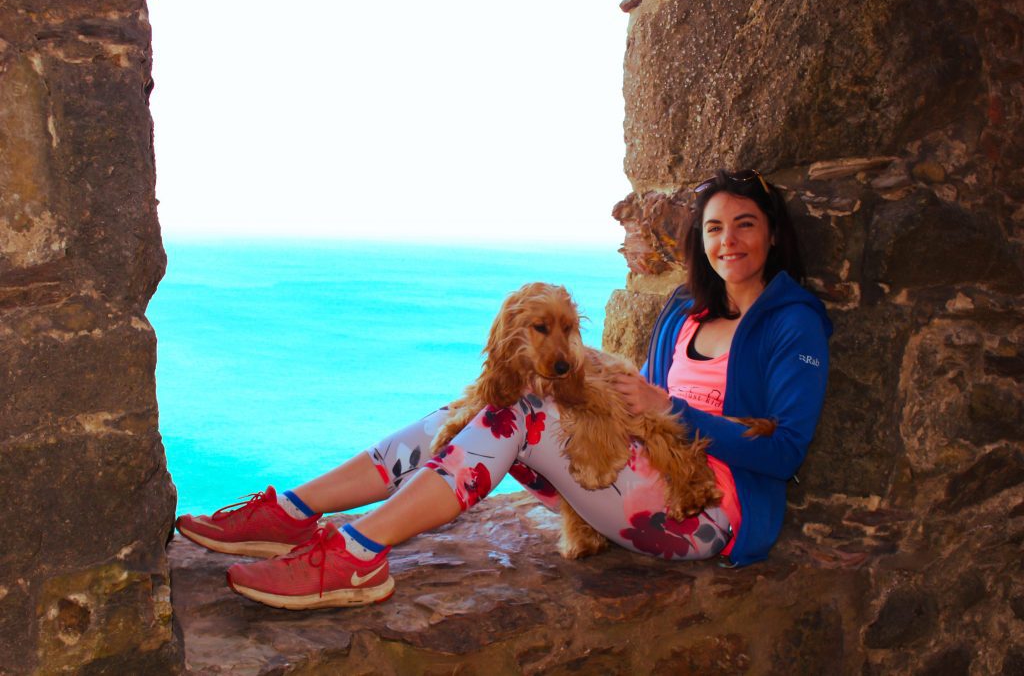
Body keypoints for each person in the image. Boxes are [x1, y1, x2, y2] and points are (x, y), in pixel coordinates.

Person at [175, 168, 832, 609]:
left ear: (771, 232)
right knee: (466, 412)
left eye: (745, 223)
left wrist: (674, 408)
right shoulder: (685, 313)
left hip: (710, 517)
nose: (729, 240)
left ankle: (358, 552)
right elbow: (643, 410)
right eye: (715, 227)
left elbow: (785, 452)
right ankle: (292, 510)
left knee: (518, 415)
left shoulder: (791, 322)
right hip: (645, 475)